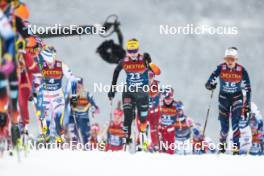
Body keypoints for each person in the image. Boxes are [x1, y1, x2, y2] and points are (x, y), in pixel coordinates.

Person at [205, 47, 251, 154]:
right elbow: (208, 82)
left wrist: (247, 104)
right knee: (224, 128)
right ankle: (222, 144)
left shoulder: (242, 70)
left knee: (235, 124)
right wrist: (210, 85)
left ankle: (236, 149)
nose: (230, 62)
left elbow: (248, 88)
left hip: (237, 99)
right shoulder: (220, 68)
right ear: (225, 59)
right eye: (227, 59)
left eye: (232, 59)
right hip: (223, 99)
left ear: (236, 59)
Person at [108, 39, 152, 146]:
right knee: (127, 117)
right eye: (130, 51)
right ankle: (126, 141)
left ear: (138, 50)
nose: (132, 54)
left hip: (142, 94)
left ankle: (144, 134)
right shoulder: (125, 61)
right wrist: (112, 89)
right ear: (127, 51)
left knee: (142, 120)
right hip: (129, 92)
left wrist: (149, 62)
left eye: (135, 51)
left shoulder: (144, 60)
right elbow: (116, 71)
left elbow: (154, 72)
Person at [38, 46, 75, 143]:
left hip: (57, 96)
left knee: (58, 122)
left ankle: (61, 141)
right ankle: (45, 143)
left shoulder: (61, 65)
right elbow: (33, 78)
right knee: (46, 123)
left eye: (51, 57)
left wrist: (74, 95)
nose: (49, 62)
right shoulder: (41, 65)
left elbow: (73, 79)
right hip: (45, 96)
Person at [69, 77, 99, 146]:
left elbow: (95, 105)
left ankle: (87, 148)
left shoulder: (87, 94)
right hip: (75, 117)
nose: (78, 88)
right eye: (77, 86)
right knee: (74, 134)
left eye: (80, 86)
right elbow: (70, 107)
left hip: (84, 118)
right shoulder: (73, 95)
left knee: (85, 135)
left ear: (83, 86)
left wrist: (94, 108)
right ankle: (74, 146)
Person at [159, 87, 183, 154]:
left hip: (170, 129)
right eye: (166, 99)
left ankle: (171, 155)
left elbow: (181, 115)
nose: (168, 101)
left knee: (170, 146)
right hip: (161, 128)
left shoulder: (176, 104)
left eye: (169, 99)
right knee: (158, 144)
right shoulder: (160, 104)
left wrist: (180, 110)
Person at [147, 70, 161, 151]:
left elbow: (158, 96)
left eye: (151, 77)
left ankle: (155, 145)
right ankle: (144, 145)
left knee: (154, 129)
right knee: (143, 129)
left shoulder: (156, 85)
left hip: (154, 112)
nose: (149, 79)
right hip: (145, 111)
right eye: (148, 77)